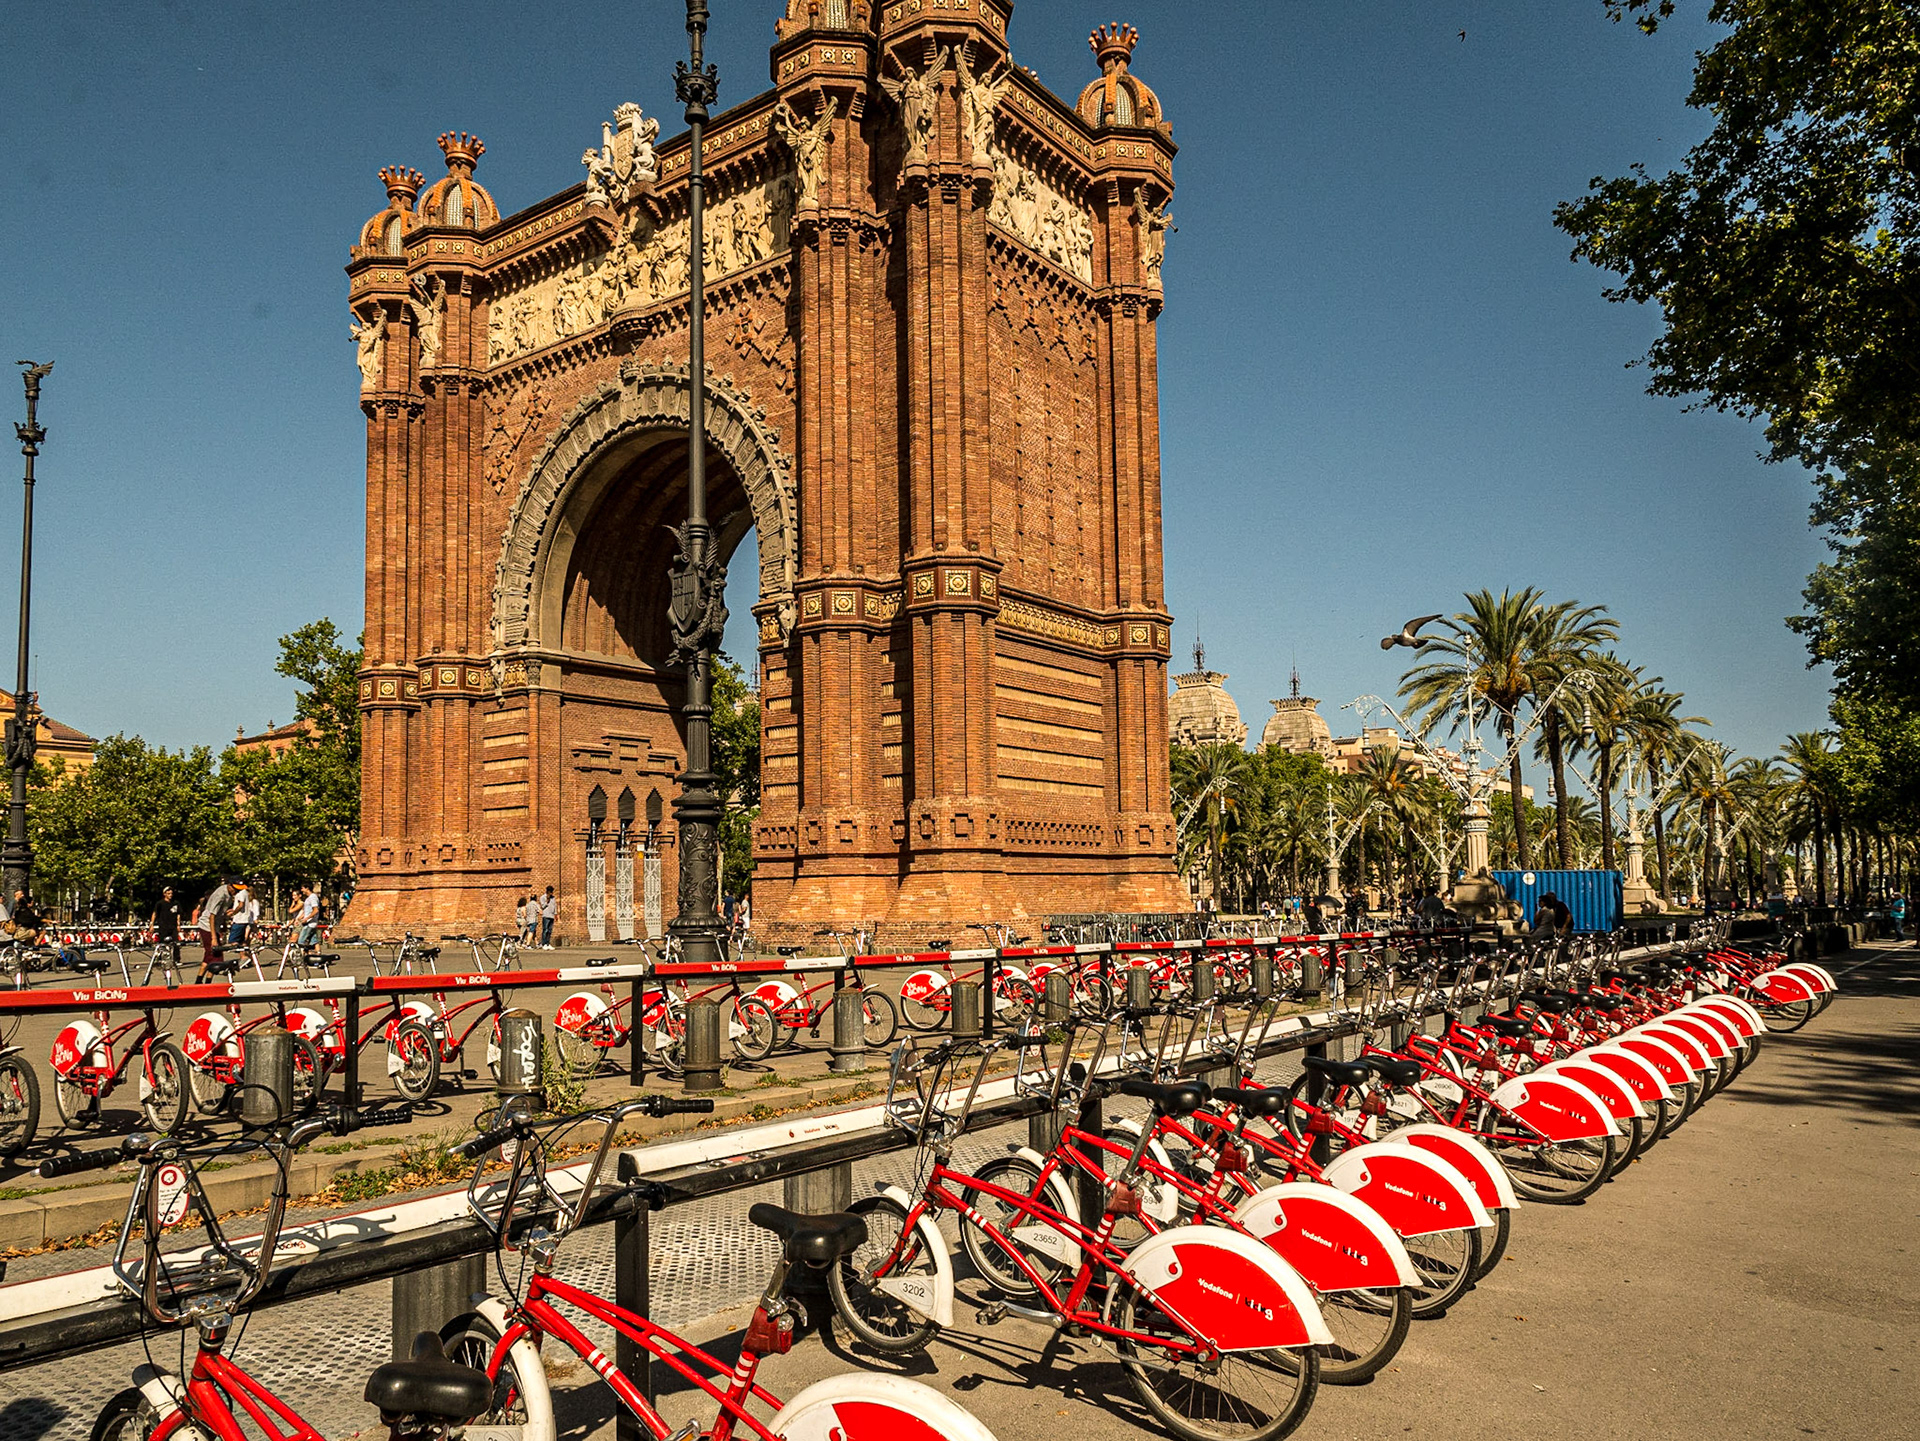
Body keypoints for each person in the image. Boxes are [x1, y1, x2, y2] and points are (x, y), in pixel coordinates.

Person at [194, 877, 233, 981]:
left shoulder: (229, 894)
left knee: (210, 955)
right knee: (216, 955)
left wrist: (223, 922)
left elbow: (220, 912)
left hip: (214, 926)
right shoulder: (220, 895)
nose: (236, 892)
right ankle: (204, 982)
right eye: (235, 889)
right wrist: (214, 937)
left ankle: (200, 981)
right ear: (229, 885)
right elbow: (212, 916)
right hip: (206, 925)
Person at [152, 886, 183, 973]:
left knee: (175, 942)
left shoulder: (176, 903)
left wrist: (178, 924)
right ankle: (162, 958)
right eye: (168, 893)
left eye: (171, 893)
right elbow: (154, 913)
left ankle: (177, 959)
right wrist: (152, 924)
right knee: (162, 943)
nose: (170, 895)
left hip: (173, 926)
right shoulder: (160, 903)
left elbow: (178, 914)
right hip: (163, 926)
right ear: (164, 894)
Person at [293, 883, 322, 953]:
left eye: (303, 888)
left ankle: (302, 959)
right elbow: (306, 912)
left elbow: (316, 910)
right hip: (310, 923)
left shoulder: (313, 897)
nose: (301, 890)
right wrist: (299, 919)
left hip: (310, 923)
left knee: (301, 941)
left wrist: (307, 919)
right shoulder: (308, 898)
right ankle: (318, 955)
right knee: (314, 941)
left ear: (307, 888)